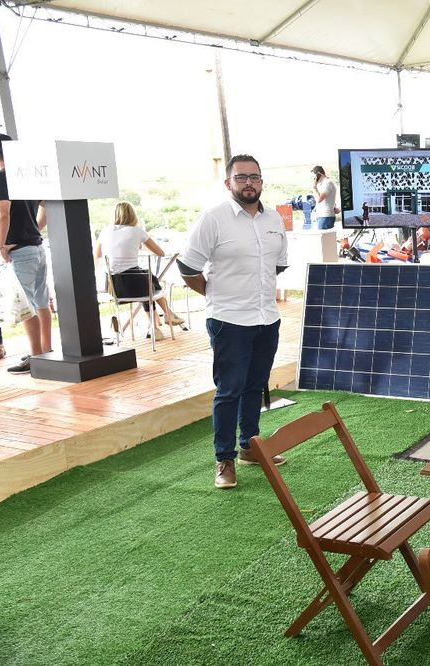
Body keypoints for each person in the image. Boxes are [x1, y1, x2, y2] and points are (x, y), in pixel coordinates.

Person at [178, 154, 289, 489]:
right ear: (229, 183)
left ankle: (249, 447)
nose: (249, 183)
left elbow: (278, 265)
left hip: (266, 318)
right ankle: (224, 459)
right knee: (229, 391)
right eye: (241, 177)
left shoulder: (274, 219)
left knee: (255, 386)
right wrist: (216, 294)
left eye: (254, 177)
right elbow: (188, 268)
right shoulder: (213, 219)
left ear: (261, 181)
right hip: (229, 320)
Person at [0, 133, 51, 375]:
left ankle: (36, 358)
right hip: (37, 247)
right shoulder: (25, 177)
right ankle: (47, 352)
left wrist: (0, 245)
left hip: (19, 251)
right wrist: (33, 229)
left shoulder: (2, 178)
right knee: (41, 302)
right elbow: (46, 208)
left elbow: (3, 214)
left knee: (26, 306)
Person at [94, 202, 185, 339]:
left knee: (146, 279)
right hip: (137, 285)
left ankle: (156, 326)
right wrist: (139, 245)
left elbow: (98, 255)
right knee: (149, 280)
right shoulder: (137, 231)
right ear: (132, 215)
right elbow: (160, 252)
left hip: (115, 287)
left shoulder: (105, 231)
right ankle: (166, 315)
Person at [311, 165, 339, 230]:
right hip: (323, 216)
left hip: (326, 216)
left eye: (314, 176)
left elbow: (319, 199)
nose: (314, 178)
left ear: (318, 174)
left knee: (323, 235)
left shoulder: (328, 183)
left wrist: (315, 188)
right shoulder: (323, 184)